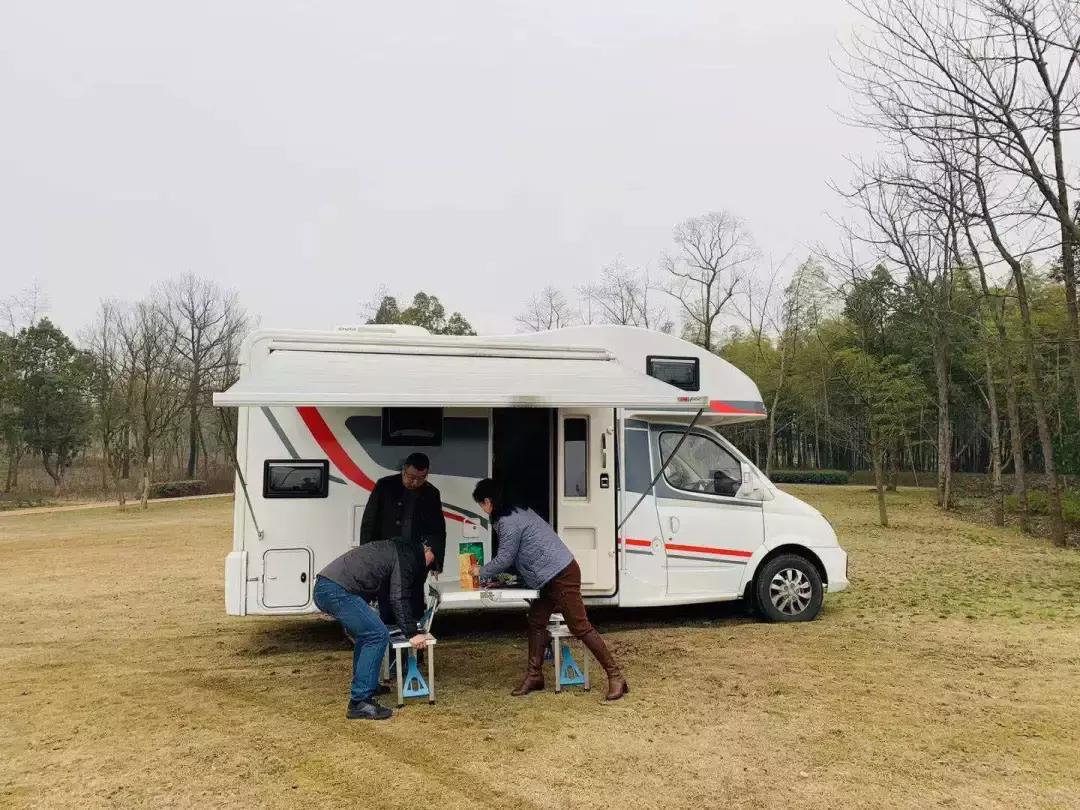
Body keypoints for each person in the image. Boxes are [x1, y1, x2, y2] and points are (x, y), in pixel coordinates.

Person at [471, 478, 629, 701]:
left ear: (488, 501)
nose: (482, 508)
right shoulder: (519, 512)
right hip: (549, 576)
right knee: (536, 621)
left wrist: (480, 572)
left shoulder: (508, 521)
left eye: (481, 504)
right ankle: (534, 676)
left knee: (580, 626)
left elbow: (506, 557)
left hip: (560, 574)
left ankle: (616, 677)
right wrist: (502, 577)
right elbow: (521, 555)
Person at [314, 540, 428, 720]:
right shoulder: (402, 556)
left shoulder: (391, 549)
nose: (429, 563)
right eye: (431, 558)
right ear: (426, 549)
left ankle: (368, 684)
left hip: (329, 586)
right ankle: (359, 702)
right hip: (335, 590)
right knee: (377, 634)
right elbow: (398, 596)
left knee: (367, 634)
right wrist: (412, 633)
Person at [359, 453, 446, 673]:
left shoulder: (431, 493)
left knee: (415, 607)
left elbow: (438, 529)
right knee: (388, 607)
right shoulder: (385, 486)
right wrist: (367, 555)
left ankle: (414, 658)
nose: (415, 482)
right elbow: (369, 521)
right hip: (386, 559)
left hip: (415, 562)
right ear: (403, 470)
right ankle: (390, 658)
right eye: (411, 477)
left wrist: (434, 556)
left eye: (421, 478)